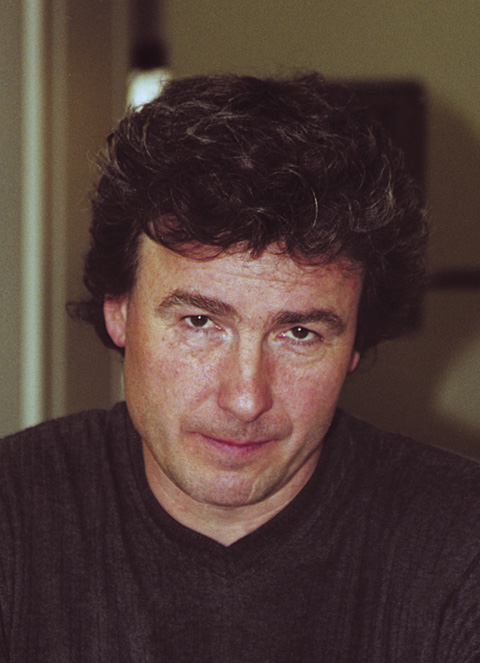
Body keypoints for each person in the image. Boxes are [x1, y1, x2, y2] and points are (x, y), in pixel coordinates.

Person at [1, 73, 479, 662]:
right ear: (118, 311)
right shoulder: (13, 516)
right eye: (200, 321)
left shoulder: (462, 543)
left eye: (299, 333)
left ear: (356, 344)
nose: (246, 399)